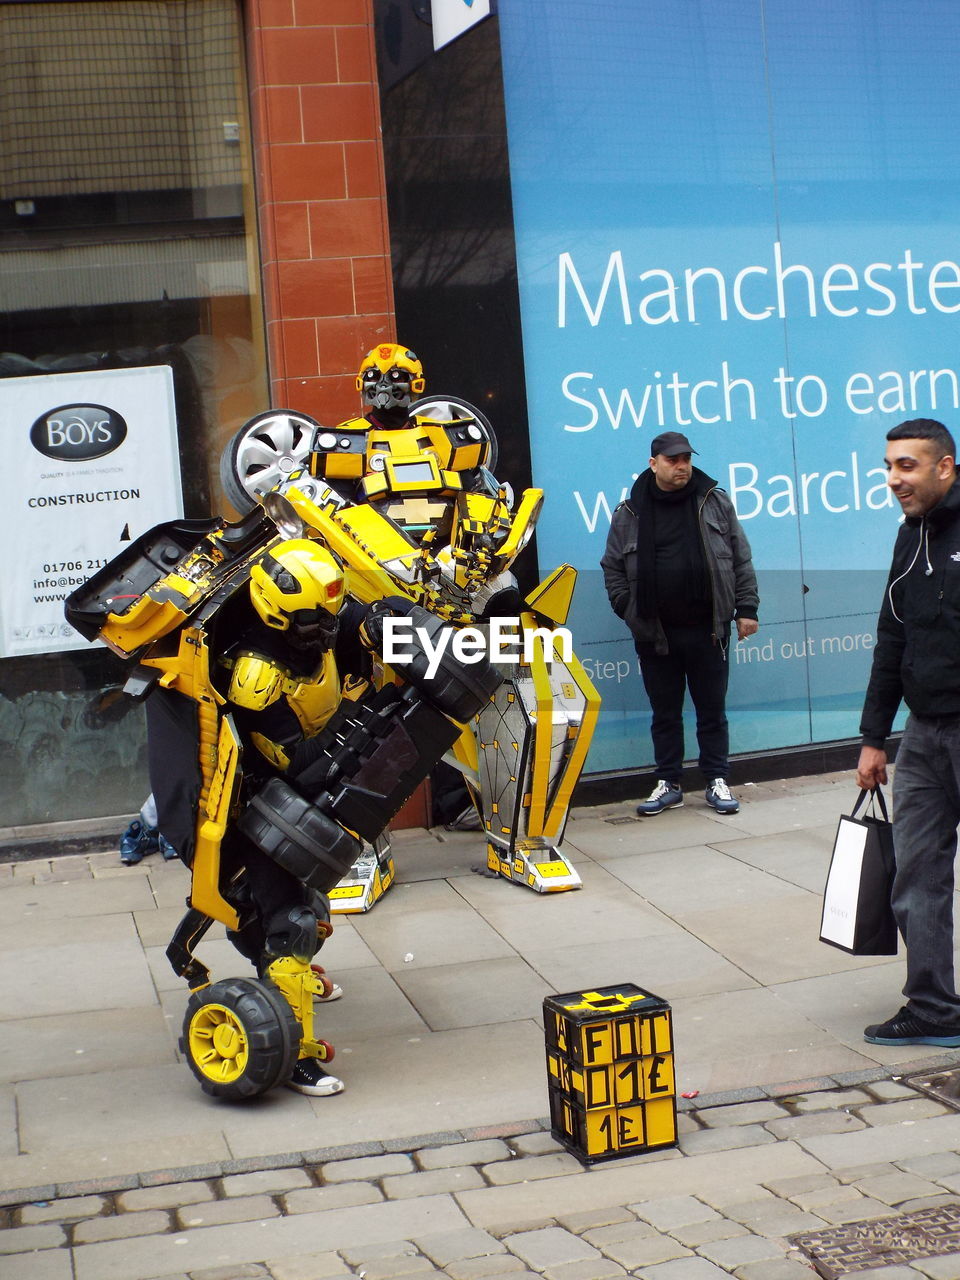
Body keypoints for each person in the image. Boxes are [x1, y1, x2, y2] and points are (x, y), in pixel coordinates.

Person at [856, 417, 960, 1048]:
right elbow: (892, 637)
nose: (895, 478)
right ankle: (933, 1008)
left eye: (907, 466)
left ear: (945, 467)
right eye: (890, 466)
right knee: (917, 874)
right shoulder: (909, 537)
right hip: (923, 738)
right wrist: (874, 736)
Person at [601, 431, 759, 816]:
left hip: (708, 629)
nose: (682, 466)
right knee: (665, 714)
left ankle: (716, 780)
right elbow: (612, 567)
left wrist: (747, 609)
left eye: (686, 458)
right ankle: (668, 782)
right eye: (673, 460)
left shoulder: (714, 502)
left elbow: (740, 557)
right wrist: (629, 609)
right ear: (654, 464)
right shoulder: (630, 512)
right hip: (657, 634)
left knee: (711, 711)